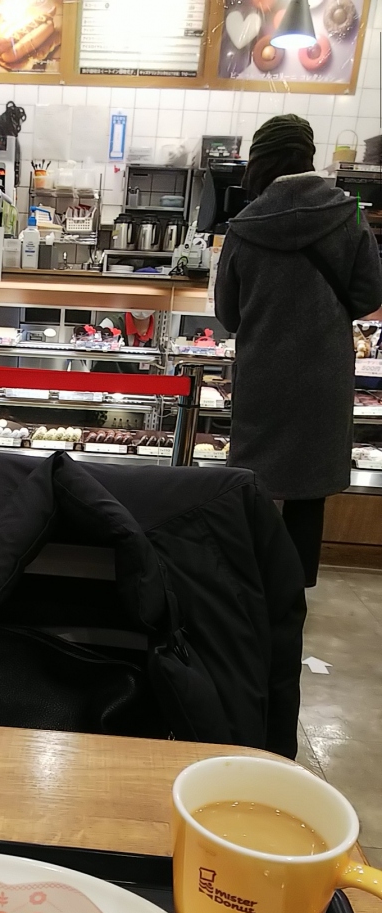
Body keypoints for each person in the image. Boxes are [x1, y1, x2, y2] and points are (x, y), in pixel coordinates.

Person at [215, 115, 382, 586]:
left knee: (255, 482)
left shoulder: (244, 225)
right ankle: (295, 590)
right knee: (309, 488)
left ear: (260, 161)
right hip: (324, 374)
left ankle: (252, 582)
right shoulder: (349, 214)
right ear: (308, 155)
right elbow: (368, 297)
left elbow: (228, 314)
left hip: (263, 372)